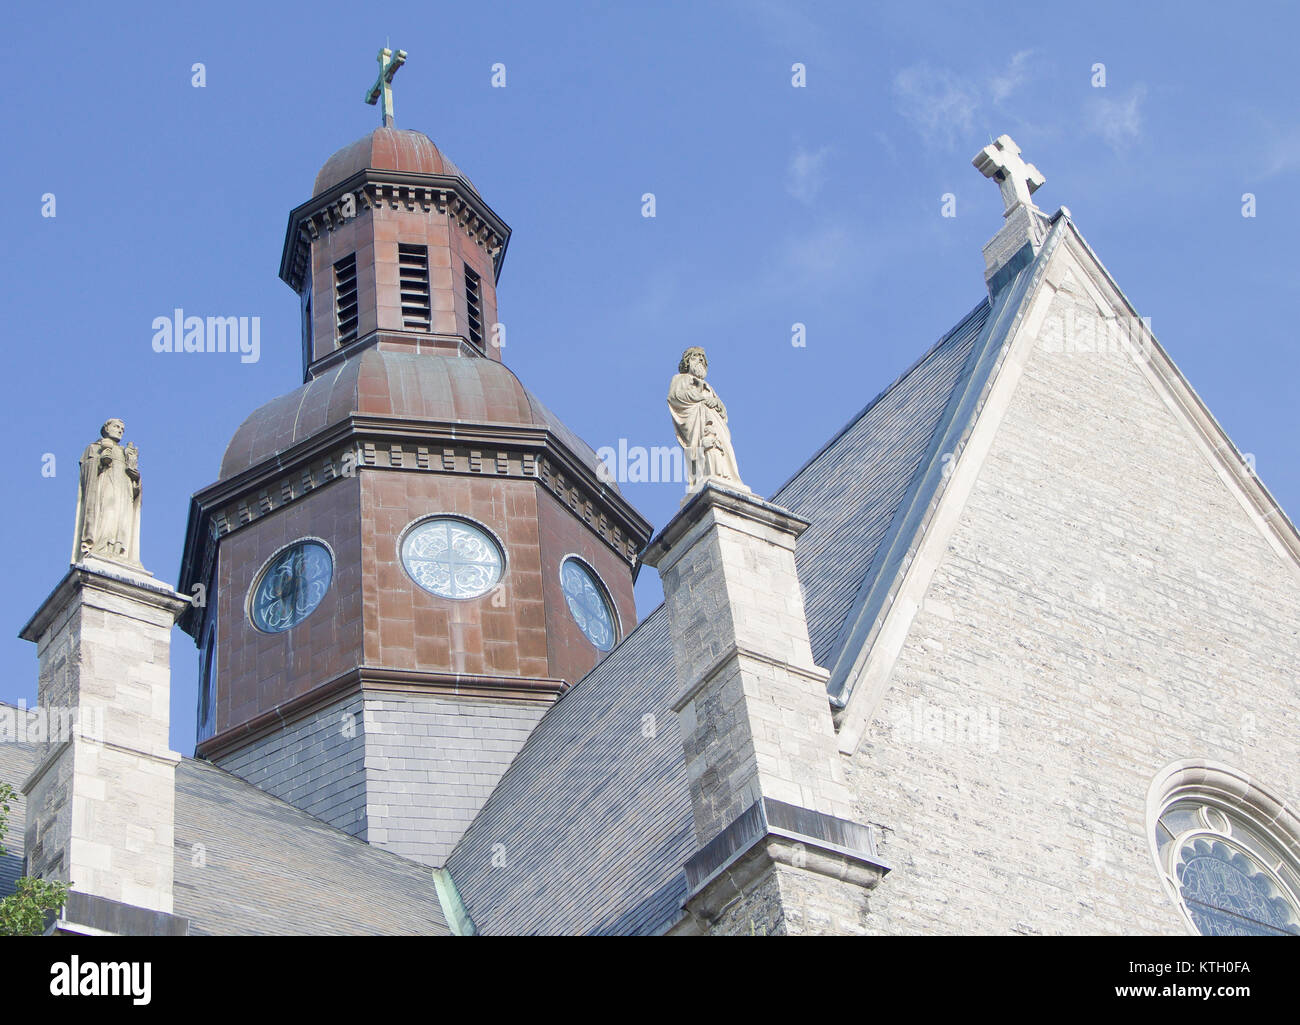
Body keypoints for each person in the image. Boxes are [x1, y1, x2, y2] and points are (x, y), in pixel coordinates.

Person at [667, 347, 745, 494]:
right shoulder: (680, 379)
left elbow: (722, 409)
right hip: (697, 421)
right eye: (697, 357)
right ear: (688, 361)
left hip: (714, 422)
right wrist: (701, 397)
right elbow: (675, 397)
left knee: (722, 448)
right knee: (704, 447)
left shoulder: (709, 386)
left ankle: (727, 476)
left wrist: (716, 404)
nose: (701, 360)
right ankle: (706, 476)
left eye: (703, 359)